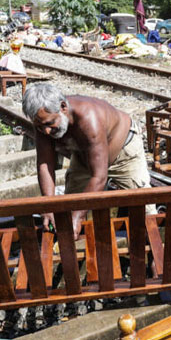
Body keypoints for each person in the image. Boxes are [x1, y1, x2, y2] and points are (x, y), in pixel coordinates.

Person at [22, 83, 151, 234]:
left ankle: (156, 246)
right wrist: (48, 205)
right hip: (85, 154)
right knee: (69, 205)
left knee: (143, 205)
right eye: (40, 127)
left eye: (50, 124)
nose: (46, 131)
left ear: (63, 107)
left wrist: (78, 216)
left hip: (124, 152)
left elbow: (99, 176)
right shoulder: (43, 122)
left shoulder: (89, 119)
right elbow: (45, 164)